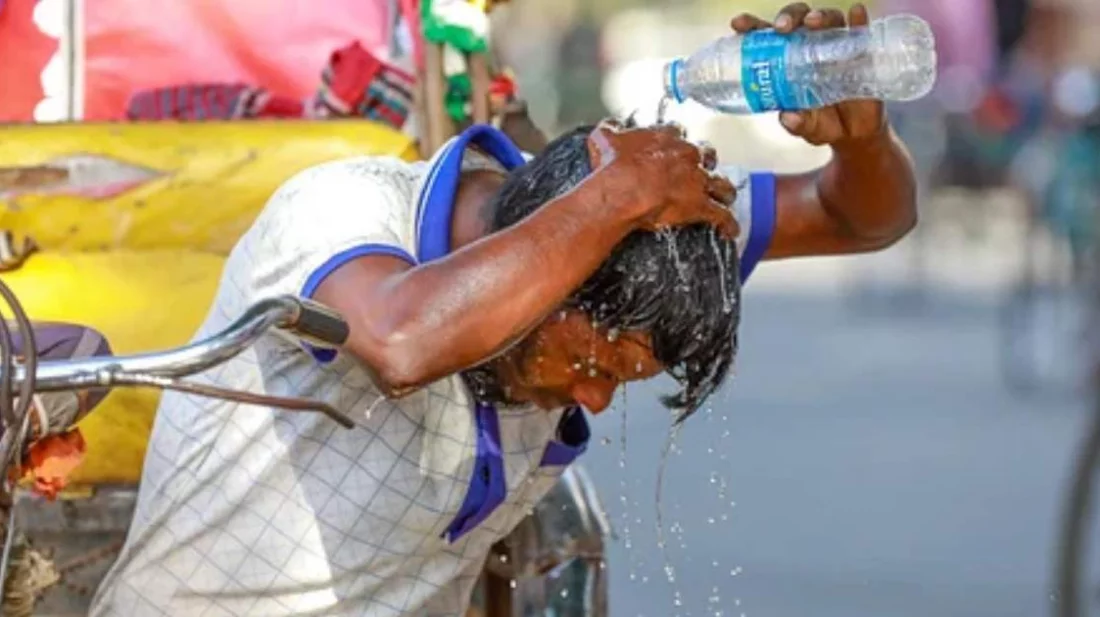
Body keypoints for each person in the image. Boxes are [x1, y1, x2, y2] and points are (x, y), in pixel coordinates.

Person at [90, 4, 916, 616]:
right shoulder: (340, 212)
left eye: (620, 380)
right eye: (596, 364)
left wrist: (860, 139)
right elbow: (404, 341)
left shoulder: (642, 237)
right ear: (554, 268)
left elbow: (864, 216)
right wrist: (614, 198)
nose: (594, 399)